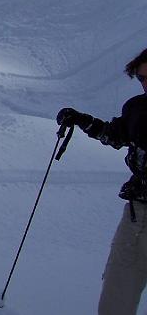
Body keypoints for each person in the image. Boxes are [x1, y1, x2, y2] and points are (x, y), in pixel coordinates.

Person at [57, 47, 147, 315]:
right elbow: (115, 136)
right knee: (116, 299)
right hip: (137, 216)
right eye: (142, 78)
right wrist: (83, 121)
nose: (146, 84)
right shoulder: (137, 108)